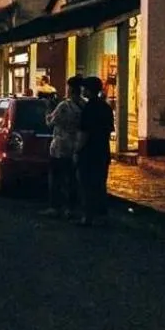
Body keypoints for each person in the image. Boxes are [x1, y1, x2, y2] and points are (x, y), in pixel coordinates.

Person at [41, 75, 84, 218]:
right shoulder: (84, 105)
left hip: (60, 147)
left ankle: (55, 207)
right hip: (77, 146)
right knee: (72, 179)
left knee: (56, 179)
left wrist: (48, 109)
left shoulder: (64, 106)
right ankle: (71, 208)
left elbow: (50, 122)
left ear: (70, 89)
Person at [76, 75, 115, 225]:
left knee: (86, 185)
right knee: (100, 184)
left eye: (84, 88)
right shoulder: (106, 108)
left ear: (88, 90)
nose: (82, 91)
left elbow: (84, 133)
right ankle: (101, 215)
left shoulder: (88, 108)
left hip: (88, 152)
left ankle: (88, 216)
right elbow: (109, 130)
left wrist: (77, 150)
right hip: (103, 151)